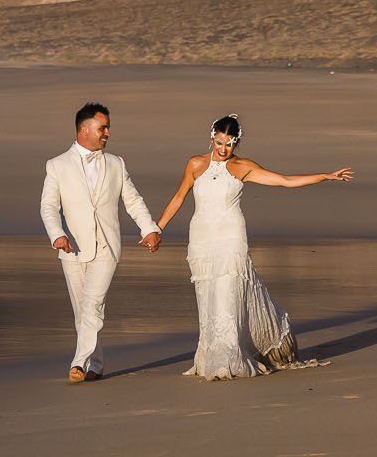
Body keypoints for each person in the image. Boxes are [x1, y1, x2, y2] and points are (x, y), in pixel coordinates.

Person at [155, 113, 353, 379]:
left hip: (231, 238)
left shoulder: (244, 166)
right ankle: (209, 357)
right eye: (219, 142)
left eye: (229, 144)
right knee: (208, 296)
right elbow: (179, 198)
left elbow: (284, 180)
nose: (223, 149)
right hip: (201, 238)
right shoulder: (195, 164)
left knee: (227, 294)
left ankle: (228, 360)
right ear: (212, 137)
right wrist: (156, 229)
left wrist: (325, 176)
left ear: (236, 143)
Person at [39, 102, 161, 383]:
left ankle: (78, 362)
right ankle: (97, 363)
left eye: (107, 127)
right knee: (82, 311)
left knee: (93, 305)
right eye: (102, 127)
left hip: (106, 247)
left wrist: (149, 228)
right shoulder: (56, 165)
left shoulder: (116, 163)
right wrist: (57, 233)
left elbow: (133, 200)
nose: (107, 133)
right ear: (85, 129)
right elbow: (48, 206)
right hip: (72, 249)